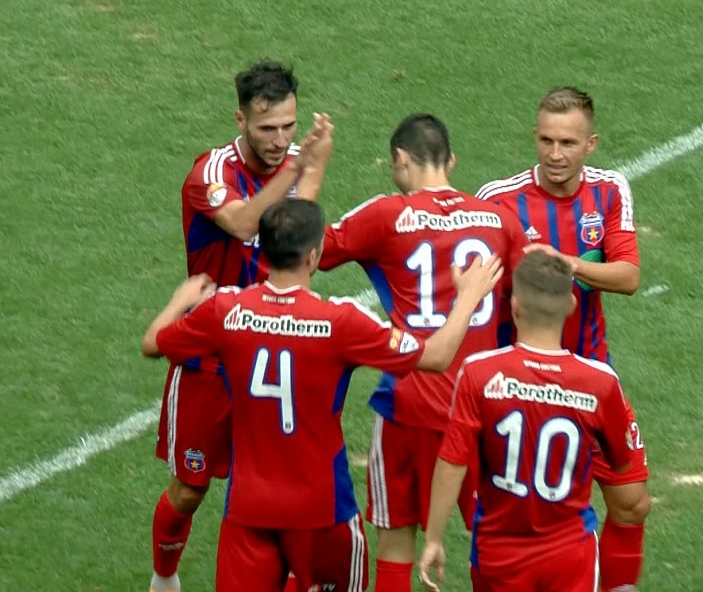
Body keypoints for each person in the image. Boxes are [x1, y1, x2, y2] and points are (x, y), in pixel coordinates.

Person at [141, 199, 504, 592]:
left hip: (248, 510)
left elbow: (152, 343)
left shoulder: (224, 311)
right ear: (313, 256)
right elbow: (436, 356)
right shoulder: (341, 322)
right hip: (323, 512)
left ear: (264, 249)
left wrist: (179, 302)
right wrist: (468, 297)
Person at [317, 113, 528, 592]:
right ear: (451, 161)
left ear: (400, 160)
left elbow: (307, 251)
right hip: (483, 408)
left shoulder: (386, 214)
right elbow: (533, 298)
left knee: (396, 546)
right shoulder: (498, 219)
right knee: (495, 545)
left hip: (409, 404)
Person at [149, 59, 333, 592]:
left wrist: (313, 164)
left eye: (288, 126)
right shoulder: (209, 172)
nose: (279, 139)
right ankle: (164, 579)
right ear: (240, 120)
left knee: (283, 488)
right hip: (208, 356)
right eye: (266, 128)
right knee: (189, 488)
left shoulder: (296, 160)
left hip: (272, 355)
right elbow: (243, 222)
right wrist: (297, 170)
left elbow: (298, 227)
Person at [476, 86, 650, 591]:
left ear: (591, 144)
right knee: (511, 511)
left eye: (568, 143)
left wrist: (566, 264)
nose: (556, 154)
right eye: (547, 141)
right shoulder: (498, 200)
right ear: (535, 137)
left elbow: (629, 276)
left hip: (591, 373)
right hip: (517, 379)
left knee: (632, 499)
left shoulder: (609, 191)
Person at [417, 250, 636, 592]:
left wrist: (433, 538)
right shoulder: (601, 382)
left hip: (498, 551)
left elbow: (452, 461)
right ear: (571, 307)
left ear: (515, 306)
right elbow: (621, 465)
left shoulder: (479, 373)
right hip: (570, 551)